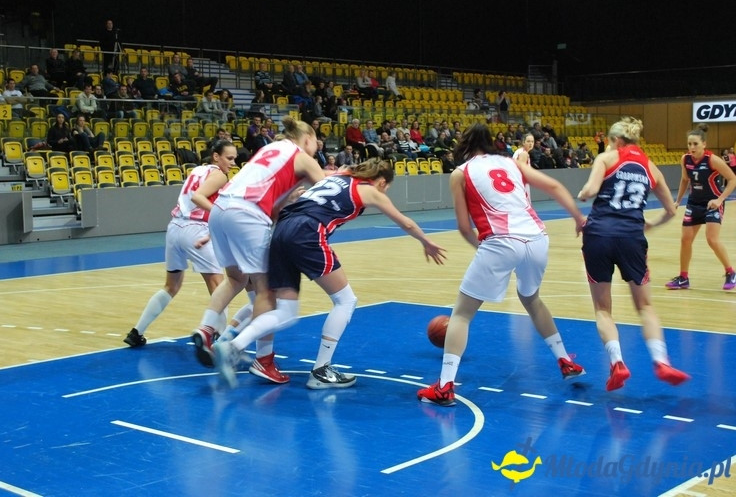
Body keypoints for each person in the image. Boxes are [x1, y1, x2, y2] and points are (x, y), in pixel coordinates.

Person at [212, 159, 447, 388]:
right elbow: (405, 222)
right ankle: (322, 369)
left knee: (284, 309)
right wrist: (426, 241)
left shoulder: (337, 176)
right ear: (382, 182)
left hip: (281, 230)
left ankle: (234, 345)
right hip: (307, 233)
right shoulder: (368, 189)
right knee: (345, 300)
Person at [417, 123, 587, 407]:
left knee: (461, 315)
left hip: (500, 240)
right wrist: (579, 219)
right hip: (537, 237)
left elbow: (463, 226)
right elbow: (555, 185)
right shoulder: (512, 162)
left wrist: (488, 253)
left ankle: (444, 387)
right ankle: (565, 360)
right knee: (531, 299)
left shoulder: (460, 173)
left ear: (466, 144)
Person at [191, 117, 327, 383]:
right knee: (267, 292)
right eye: (315, 144)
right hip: (247, 214)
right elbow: (327, 188)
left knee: (235, 279)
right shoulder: (301, 155)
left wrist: (286, 200)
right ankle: (262, 361)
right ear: (308, 138)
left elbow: (271, 205)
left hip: (220, 210)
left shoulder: (268, 150)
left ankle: (207, 329)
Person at [577, 117, 689, 391]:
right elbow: (672, 210)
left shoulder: (606, 158)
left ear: (616, 141)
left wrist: (581, 195)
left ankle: (617, 363)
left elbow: (589, 191)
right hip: (631, 237)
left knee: (603, 309)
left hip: (599, 235)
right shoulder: (650, 167)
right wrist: (649, 225)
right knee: (645, 306)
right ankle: (661, 361)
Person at [124, 141, 238, 347]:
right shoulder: (220, 175)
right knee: (219, 287)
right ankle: (220, 340)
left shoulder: (197, 170)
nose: (233, 162)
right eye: (229, 158)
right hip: (195, 229)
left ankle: (136, 332)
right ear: (216, 157)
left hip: (174, 228)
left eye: (234, 158)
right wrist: (221, 215)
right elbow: (197, 198)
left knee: (171, 285)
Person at [665, 125, 736, 291]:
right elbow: (684, 180)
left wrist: (720, 200)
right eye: (689, 144)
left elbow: (732, 179)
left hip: (712, 203)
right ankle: (683, 278)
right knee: (685, 239)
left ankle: (731, 272)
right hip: (694, 203)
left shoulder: (712, 160)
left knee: (711, 239)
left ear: (704, 144)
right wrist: (678, 201)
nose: (692, 147)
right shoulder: (685, 159)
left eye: (695, 144)